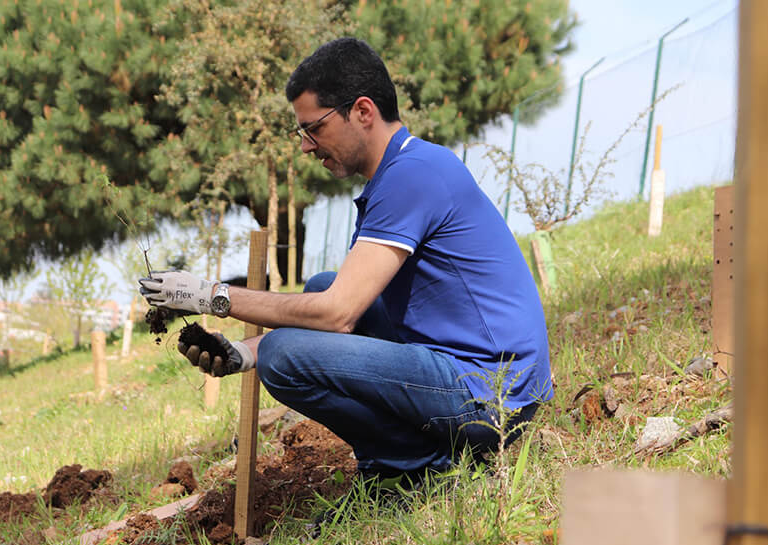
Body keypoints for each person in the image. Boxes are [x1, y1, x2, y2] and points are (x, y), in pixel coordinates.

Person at [139, 37, 552, 488]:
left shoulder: (412, 177)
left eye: (313, 128)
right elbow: (339, 307)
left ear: (362, 112)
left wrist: (211, 296)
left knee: (285, 352)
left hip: (493, 395)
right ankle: (412, 460)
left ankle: (412, 471)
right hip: (478, 374)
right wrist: (242, 354)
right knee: (319, 285)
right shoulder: (403, 171)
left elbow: (339, 315)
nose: (306, 146)